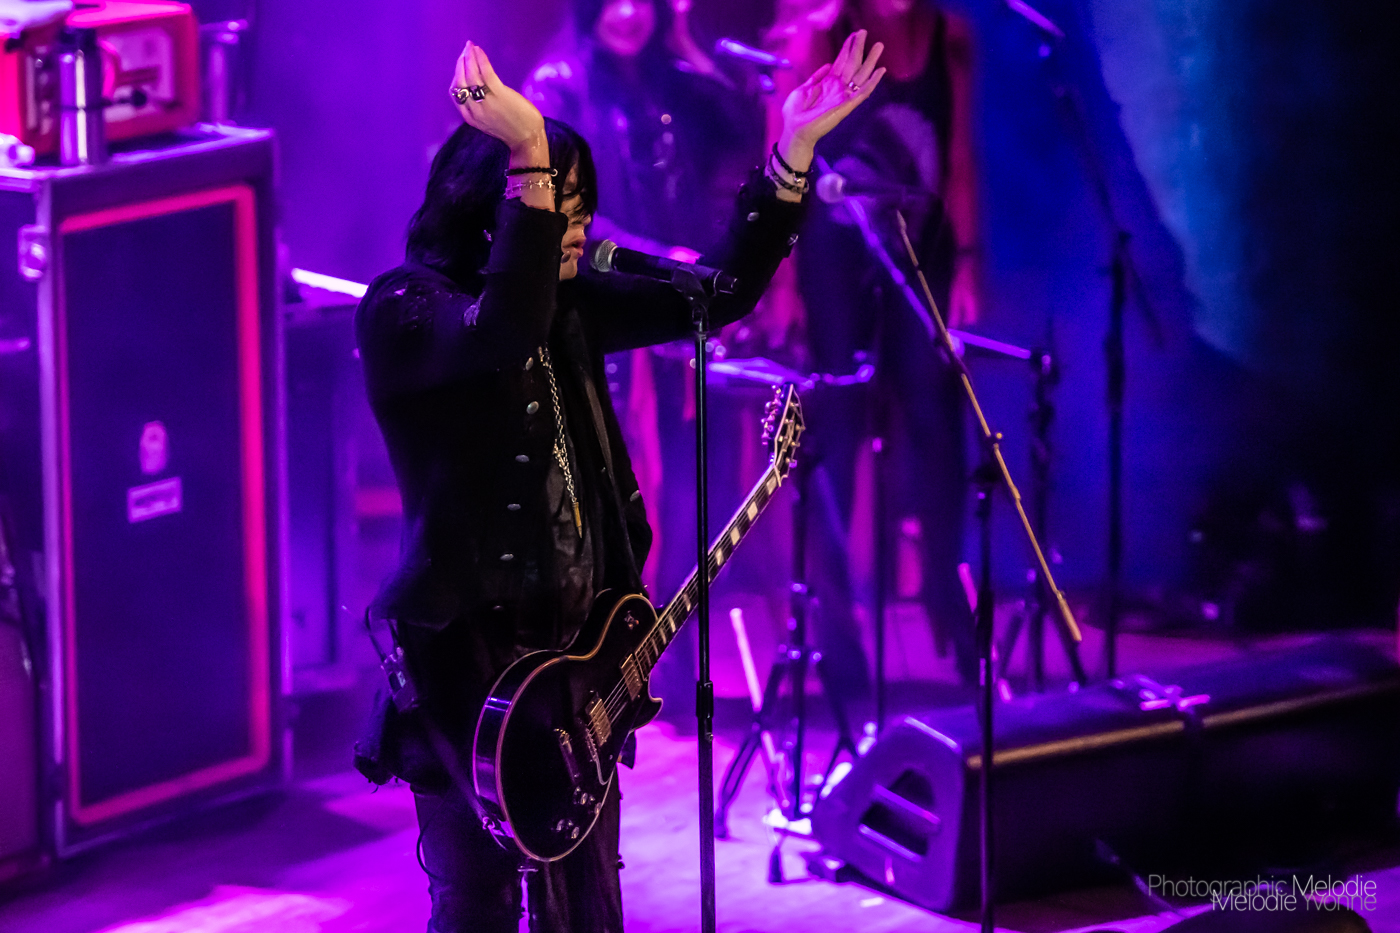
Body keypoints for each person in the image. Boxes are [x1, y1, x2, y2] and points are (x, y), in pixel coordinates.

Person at [352, 33, 886, 933]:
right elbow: (501, 333)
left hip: (578, 655)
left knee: (590, 908)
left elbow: (716, 292)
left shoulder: (568, 297)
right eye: (557, 205)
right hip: (466, 663)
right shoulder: (404, 308)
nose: (578, 228)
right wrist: (530, 148)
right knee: (478, 906)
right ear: (490, 207)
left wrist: (793, 150)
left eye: (579, 207)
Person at [524, 0, 767, 728]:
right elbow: (560, 211)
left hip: (678, 314)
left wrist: (687, 41)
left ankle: (679, 670)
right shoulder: (560, 86)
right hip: (614, 316)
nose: (631, 12)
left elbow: (741, 130)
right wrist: (657, 262)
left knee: (700, 491)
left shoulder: (670, 77)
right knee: (631, 500)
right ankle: (608, 675)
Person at [763, 0, 983, 691]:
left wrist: (967, 263)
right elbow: (784, 158)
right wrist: (782, 280)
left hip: (920, 255)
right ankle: (837, 639)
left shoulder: (947, 35)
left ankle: (947, 601)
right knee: (837, 436)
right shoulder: (819, 37)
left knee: (937, 424)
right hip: (833, 260)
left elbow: (957, 156)